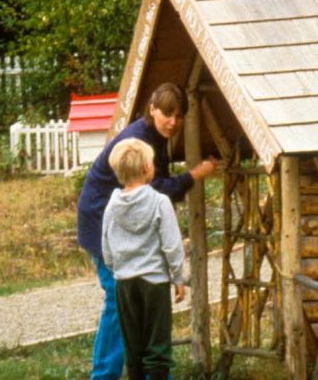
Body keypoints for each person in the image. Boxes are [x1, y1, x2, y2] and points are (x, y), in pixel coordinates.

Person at [76, 83, 216, 380]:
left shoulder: (154, 136)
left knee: (130, 300)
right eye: (167, 113)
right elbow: (158, 191)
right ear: (152, 109)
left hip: (120, 223)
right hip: (101, 220)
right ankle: (103, 376)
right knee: (117, 297)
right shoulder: (139, 141)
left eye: (178, 116)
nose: (173, 122)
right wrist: (195, 175)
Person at [101, 138, 186, 380]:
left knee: (133, 347)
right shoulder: (160, 202)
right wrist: (178, 277)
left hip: (124, 283)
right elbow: (172, 245)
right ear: (147, 169)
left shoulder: (111, 206)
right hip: (155, 283)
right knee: (157, 347)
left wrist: (118, 268)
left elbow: (106, 247)